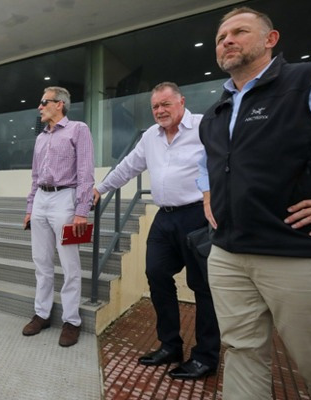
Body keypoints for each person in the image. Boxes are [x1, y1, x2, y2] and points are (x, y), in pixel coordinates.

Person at [196, 7, 311, 398]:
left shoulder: (308, 82)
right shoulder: (215, 112)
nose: (227, 40)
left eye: (239, 32)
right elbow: (209, 161)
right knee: (243, 353)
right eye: (220, 37)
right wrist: (207, 191)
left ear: (271, 39)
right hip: (228, 255)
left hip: (296, 254)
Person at [94, 82, 219, 379]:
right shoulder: (150, 136)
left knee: (203, 287)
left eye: (166, 104)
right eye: (155, 107)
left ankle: (205, 357)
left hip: (197, 216)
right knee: (156, 274)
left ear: (181, 102)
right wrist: (100, 188)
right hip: (165, 218)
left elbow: (227, 161)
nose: (160, 111)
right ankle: (170, 345)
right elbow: (128, 167)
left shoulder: (204, 126)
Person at [22, 86, 94, 347]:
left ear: (59, 104)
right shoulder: (40, 138)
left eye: (44, 102)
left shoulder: (78, 129)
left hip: (66, 197)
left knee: (69, 264)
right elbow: (34, 176)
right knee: (41, 261)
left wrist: (81, 211)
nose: (40, 107)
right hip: (41, 198)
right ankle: (42, 314)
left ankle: (71, 320)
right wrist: (30, 208)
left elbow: (86, 172)